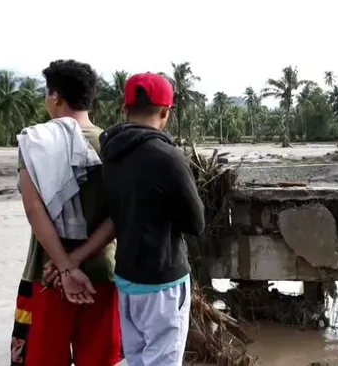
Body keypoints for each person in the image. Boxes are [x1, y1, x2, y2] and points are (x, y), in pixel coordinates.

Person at [11, 59, 121, 366]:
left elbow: (34, 210)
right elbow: (118, 217)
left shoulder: (35, 141)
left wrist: (63, 267)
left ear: (56, 97)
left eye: (47, 93)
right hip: (101, 275)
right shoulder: (112, 144)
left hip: (46, 275)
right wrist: (75, 262)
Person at [100, 72, 205, 366]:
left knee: (137, 359)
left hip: (126, 278)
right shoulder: (168, 157)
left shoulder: (109, 153)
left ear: (124, 110)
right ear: (164, 112)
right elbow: (196, 224)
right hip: (163, 283)